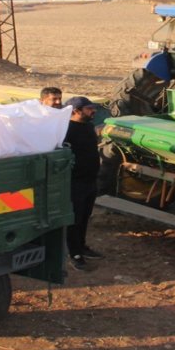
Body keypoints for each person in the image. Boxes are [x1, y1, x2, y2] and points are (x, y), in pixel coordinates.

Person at [62, 95, 104, 268]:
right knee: (75, 219)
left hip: (90, 180)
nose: (93, 111)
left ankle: (82, 246)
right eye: (88, 109)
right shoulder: (66, 130)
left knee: (85, 216)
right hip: (75, 183)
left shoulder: (88, 126)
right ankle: (75, 254)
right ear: (75, 111)